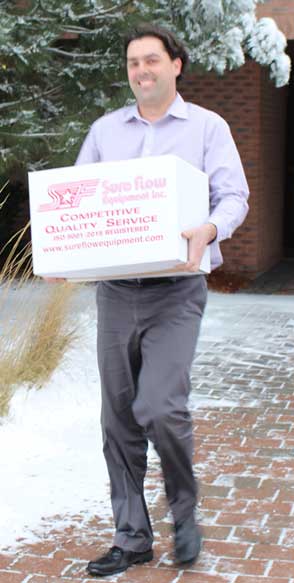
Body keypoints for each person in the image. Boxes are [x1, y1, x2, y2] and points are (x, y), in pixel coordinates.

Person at [75, 23, 249, 577]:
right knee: (119, 418)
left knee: (161, 408)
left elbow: (235, 195)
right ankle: (131, 537)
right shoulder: (105, 132)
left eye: (152, 60)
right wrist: (64, 254)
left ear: (176, 64)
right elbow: (76, 204)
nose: (141, 71)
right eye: (132, 63)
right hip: (116, 291)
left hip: (176, 290)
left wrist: (210, 230)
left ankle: (185, 511)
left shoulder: (207, 128)